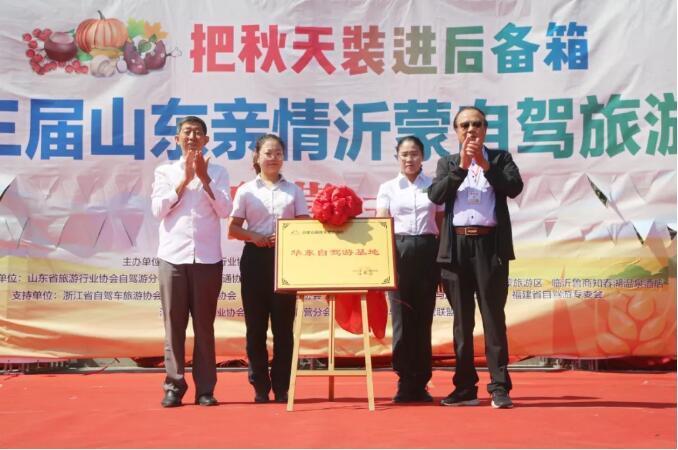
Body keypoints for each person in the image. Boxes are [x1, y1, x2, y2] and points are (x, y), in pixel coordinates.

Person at [428, 106, 523, 409]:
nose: (471, 129)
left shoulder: (500, 159)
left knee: (493, 318)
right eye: (464, 125)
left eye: (477, 124)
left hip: (489, 247)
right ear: (456, 131)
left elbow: (514, 187)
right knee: (462, 322)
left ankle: (499, 387)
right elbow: (436, 195)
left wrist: (484, 165)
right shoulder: (447, 162)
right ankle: (465, 387)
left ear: (485, 129)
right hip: (456, 247)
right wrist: (462, 167)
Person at [151, 116, 233, 407]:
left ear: (206, 140)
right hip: (173, 257)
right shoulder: (165, 171)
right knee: (174, 325)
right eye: (186, 132)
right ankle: (174, 386)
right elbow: (158, 210)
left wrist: (204, 178)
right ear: (177, 139)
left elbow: (225, 210)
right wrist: (185, 179)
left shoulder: (219, 172)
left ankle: (205, 389)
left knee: (204, 327)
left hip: (207, 259)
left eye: (198, 133)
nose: (192, 137)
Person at [228, 134, 309, 403]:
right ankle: (260, 385)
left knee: (284, 328)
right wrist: (254, 237)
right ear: (257, 157)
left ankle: (283, 386)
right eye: (268, 153)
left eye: (278, 153)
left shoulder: (294, 190)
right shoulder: (246, 190)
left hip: (286, 261)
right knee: (256, 327)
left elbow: (304, 225)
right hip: (255, 260)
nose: (273, 158)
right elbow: (233, 229)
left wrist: (288, 235)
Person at [376, 136, 444, 403]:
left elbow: (440, 222)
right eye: (404, 154)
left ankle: (422, 382)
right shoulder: (388, 188)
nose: (409, 159)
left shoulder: (434, 186)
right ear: (397, 157)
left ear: (422, 156)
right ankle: (404, 381)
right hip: (399, 251)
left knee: (423, 320)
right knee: (402, 320)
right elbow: (382, 225)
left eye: (414, 154)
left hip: (428, 251)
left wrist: (442, 260)